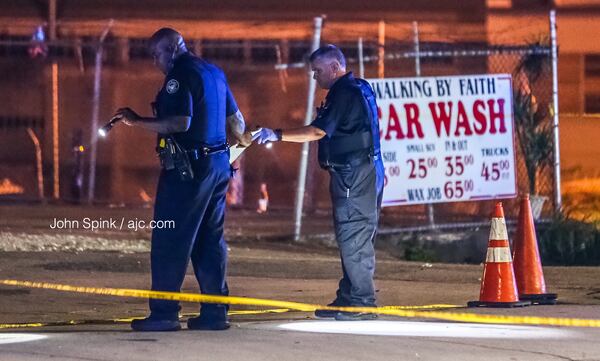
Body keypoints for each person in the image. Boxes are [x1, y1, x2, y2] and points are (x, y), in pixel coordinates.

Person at [114, 28, 251, 331]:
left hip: (189, 171)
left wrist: (136, 121)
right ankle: (215, 314)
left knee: (170, 239)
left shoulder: (179, 76)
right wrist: (231, 153)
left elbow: (179, 122)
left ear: (172, 49)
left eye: (156, 54)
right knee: (209, 239)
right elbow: (238, 124)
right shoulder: (214, 72)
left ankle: (164, 313)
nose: (154, 62)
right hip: (218, 166)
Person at [256, 44, 385, 321]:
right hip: (360, 170)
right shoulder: (357, 87)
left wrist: (275, 135)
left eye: (318, 71)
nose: (315, 77)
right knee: (352, 235)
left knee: (353, 234)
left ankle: (362, 301)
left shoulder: (344, 93)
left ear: (335, 67)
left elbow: (317, 131)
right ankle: (349, 298)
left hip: (355, 173)